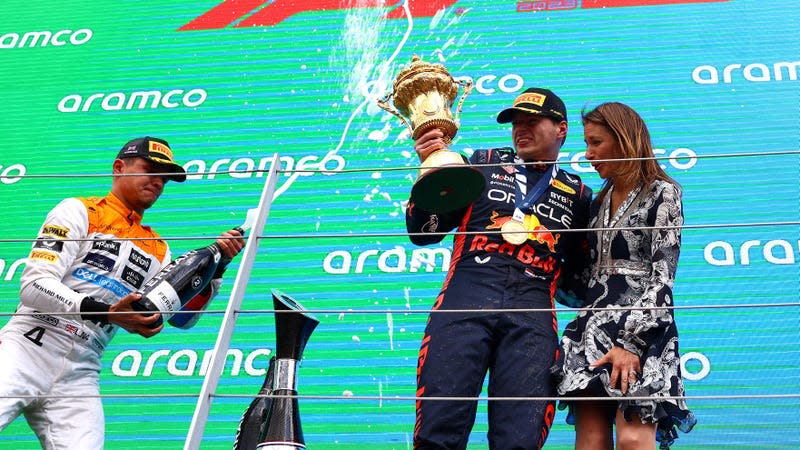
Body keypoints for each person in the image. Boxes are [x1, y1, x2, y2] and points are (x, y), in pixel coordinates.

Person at [0, 136, 245, 449]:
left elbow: (181, 319)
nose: (158, 181)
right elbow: (33, 286)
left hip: (81, 370)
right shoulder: (79, 211)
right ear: (119, 167)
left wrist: (218, 266)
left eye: (165, 177)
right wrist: (107, 312)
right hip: (28, 347)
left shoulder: (159, 249)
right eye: (150, 169)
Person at [406, 88, 592, 449]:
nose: (520, 129)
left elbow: (580, 280)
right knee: (438, 431)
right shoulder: (480, 162)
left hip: (533, 312)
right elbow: (424, 232)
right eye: (515, 123)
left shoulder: (579, 194)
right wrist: (429, 171)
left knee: (519, 440)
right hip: (465, 299)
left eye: (531, 122)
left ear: (561, 130)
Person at [556, 102, 696, 449]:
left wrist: (630, 343)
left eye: (596, 143)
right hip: (589, 328)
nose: (587, 154)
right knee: (590, 440)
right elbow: (585, 280)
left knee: (633, 438)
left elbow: (663, 277)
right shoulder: (595, 202)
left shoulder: (664, 193)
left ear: (624, 140)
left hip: (641, 328)